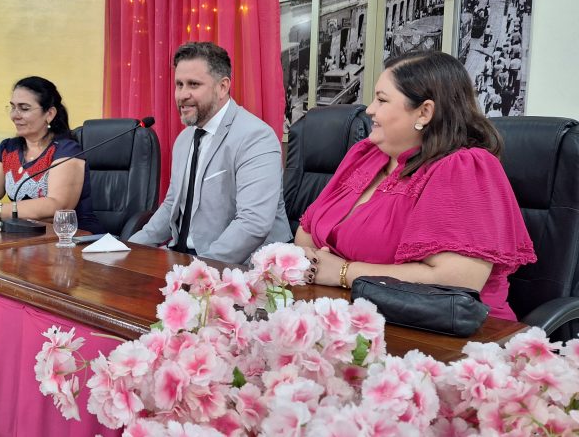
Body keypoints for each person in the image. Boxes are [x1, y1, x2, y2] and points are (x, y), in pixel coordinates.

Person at [295, 51, 535, 321]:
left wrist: (343, 272)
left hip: (443, 337)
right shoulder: (366, 155)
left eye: (382, 100)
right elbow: (306, 234)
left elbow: (457, 282)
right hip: (353, 316)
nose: (370, 109)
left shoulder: (464, 168)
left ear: (424, 111)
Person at [129, 42, 291, 264]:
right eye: (179, 84)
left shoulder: (255, 137)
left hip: (241, 269)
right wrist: (129, 248)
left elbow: (253, 223)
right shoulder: (185, 139)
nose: (182, 95)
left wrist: (199, 272)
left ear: (223, 87)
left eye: (193, 84)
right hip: (185, 259)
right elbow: (172, 206)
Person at [0, 76, 104, 234]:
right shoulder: (9, 148)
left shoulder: (67, 151)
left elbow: (57, 205)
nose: (15, 115)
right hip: (24, 237)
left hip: (73, 239)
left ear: (49, 114)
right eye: (13, 107)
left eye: (24, 108)